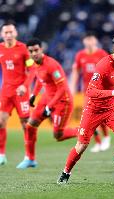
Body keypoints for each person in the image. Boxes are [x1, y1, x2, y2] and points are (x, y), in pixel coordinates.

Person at [57, 33, 114, 184]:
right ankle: (66, 172)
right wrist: (112, 92)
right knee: (82, 146)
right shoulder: (103, 65)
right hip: (93, 109)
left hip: (112, 108)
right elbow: (90, 92)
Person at [16, 38, 78, 169]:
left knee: (58, 135)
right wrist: (33, 94)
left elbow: (62, 88)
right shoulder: (34, 64)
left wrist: (49, 107)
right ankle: (30, 159)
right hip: (46, 98)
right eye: (31, 51)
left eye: (36, 50)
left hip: (62, 101)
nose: (34, 53)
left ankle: (83, 131)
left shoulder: (51, 65)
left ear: (41, 49)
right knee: (30, 126)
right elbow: (40, 79)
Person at [0, 22, 34, 166]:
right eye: (5, 32)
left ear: (16, 33)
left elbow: (32, 70)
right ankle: (1, 155)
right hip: (6, 91)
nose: (8, 35)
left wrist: (25, 86)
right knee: (1, 122)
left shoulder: (23, 49)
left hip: (21, 93)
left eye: (10, 32)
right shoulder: (0, 48)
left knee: (25, 125)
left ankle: (29, 157)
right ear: (2, 34)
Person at [70, 33, 110, 153]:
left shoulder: (102, 54)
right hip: (88, 91)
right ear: (84, 41)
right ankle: (98, 142)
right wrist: (72, 86)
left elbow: (109, 70)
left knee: (101, 116)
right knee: (88, 117)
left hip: (101, 91)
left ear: (95, 41)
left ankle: (106, 137)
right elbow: (76, 71)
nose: (89, 42)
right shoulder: (80, 55)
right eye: (87, 40)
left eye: (91, 40)